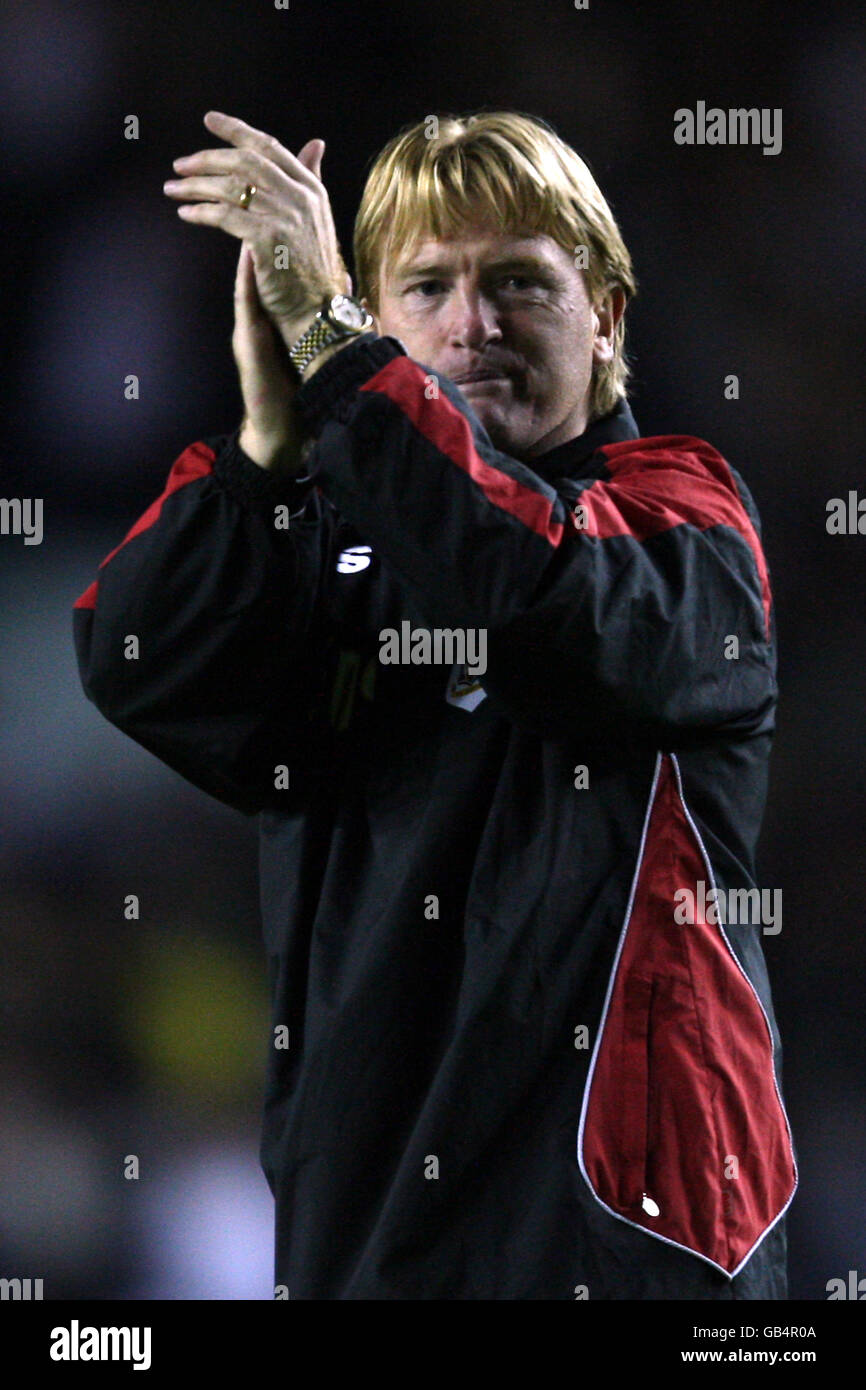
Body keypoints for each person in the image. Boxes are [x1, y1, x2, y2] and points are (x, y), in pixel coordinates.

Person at [73, 108, 797, 1299]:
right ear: (383, 319)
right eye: (427, 287)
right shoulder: (321, 535)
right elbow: (137, 658)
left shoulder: (682, 514)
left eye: (519, 280)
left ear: (605, 318)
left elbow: (535, 592)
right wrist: (265, 447)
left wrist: (344, 362)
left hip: (625, 1238)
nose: (474, 324)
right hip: (368, 1239)